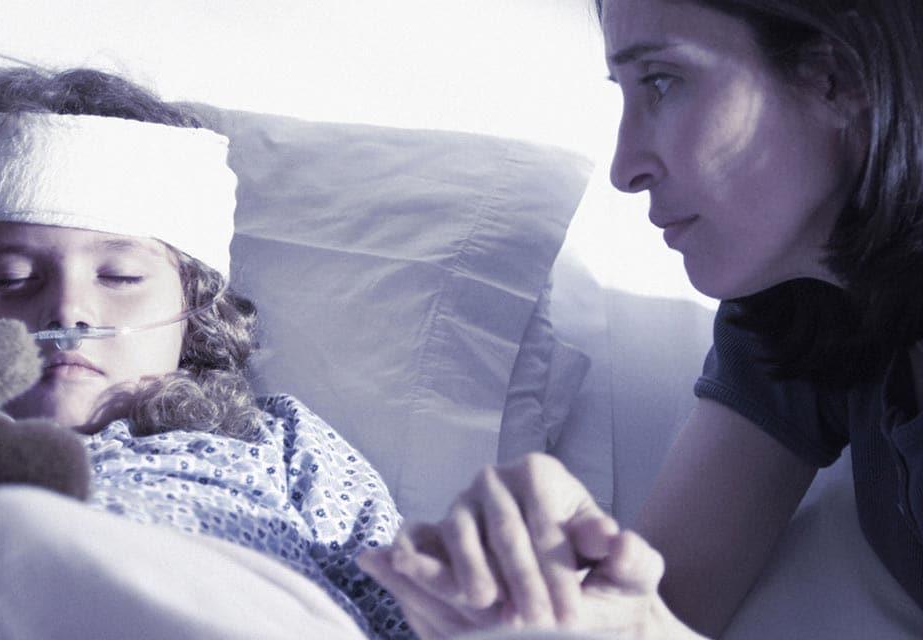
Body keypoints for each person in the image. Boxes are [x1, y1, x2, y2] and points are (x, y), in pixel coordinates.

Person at [358, 1, 923, 638]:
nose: (626, 169)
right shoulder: (797, 302)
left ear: (836, 76)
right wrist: (549, 603)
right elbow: (664, 609)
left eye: (661, 81)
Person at [0, 67, 412, 640]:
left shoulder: (281, 443)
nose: (69, 313)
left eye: (119, 277)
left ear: (196, 309)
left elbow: (412, 609)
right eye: (14, 278)